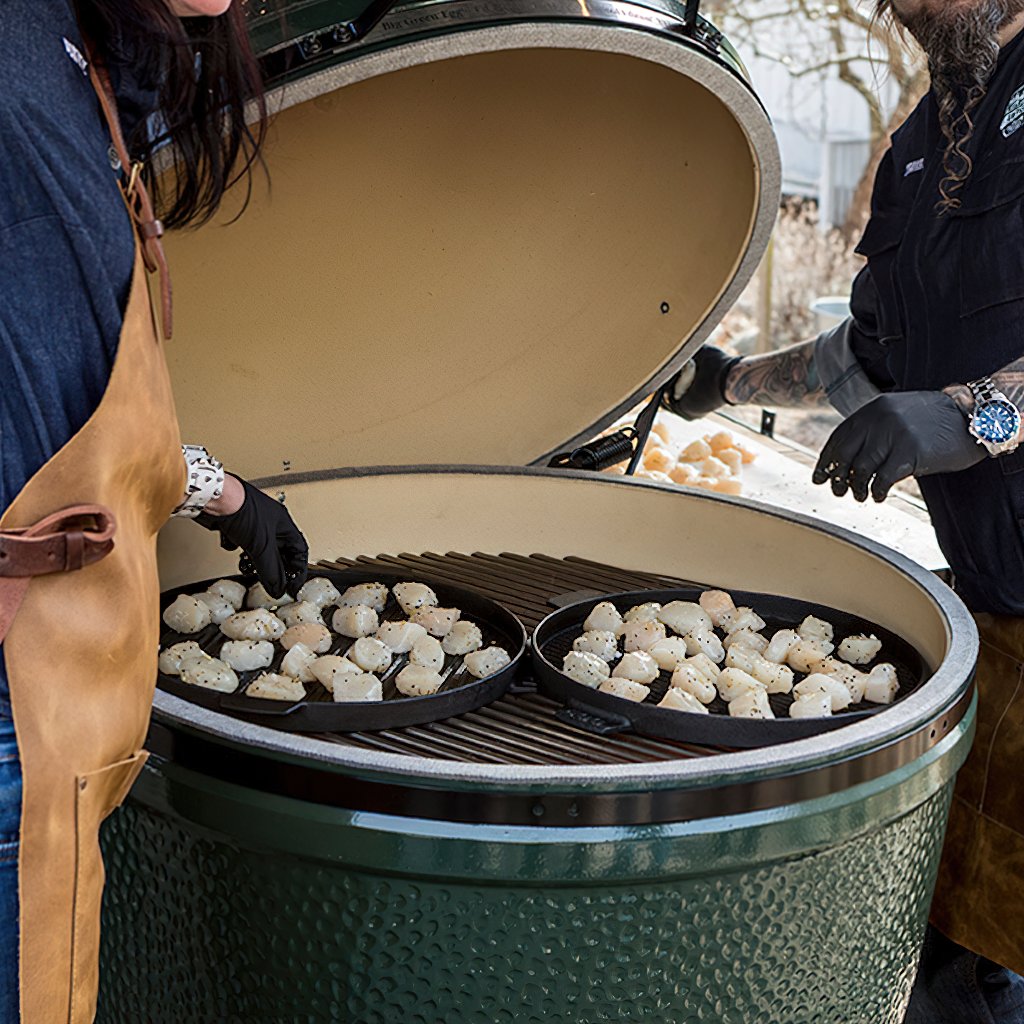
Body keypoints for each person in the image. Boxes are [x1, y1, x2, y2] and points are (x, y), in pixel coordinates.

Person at [668, 0, 1024, 1019]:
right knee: (958, 959)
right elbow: (862, 353)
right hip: (996, 622)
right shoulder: (920, 139)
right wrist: (727, 382)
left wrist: (979, 414)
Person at [0, 1, 309, 1021]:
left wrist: (216, 490)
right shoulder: (16, 76)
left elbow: (68, 396)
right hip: (16, 696)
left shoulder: (79, 61)